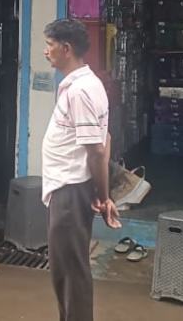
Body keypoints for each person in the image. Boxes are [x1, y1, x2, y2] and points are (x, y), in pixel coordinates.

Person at [41, 19, 121, 321]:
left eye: (49, 45)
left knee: (70, 272)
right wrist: (101, 193)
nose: (46, 51)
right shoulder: (88, 84)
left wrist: (104, 195)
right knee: (67, 270)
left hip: (70, 191)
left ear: (66, 48)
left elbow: (97, 150)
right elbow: (105, 138)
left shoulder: (80, 91)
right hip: (71, 189)